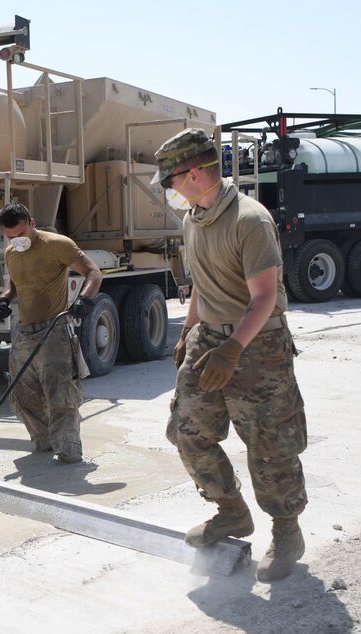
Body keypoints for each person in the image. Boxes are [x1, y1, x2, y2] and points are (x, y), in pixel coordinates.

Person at [153, 129, 307, 582]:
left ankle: (286, 530)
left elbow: (263, 298)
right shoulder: (194, 219)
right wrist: (188, 333)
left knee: (270, 445)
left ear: (195, 173)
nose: (170, 189)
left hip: (257, 346)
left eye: (172, 180)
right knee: (186, 430)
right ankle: (232, 511)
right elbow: (203, 280)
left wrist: (233, 349)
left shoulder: (249, 220)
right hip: (210, 339)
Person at [0, 202, 102, 465]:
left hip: (54, 329)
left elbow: (93, 272)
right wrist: (4, 300)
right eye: (10, 237)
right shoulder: (11, 253)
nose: (16, 241)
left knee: (60, 394)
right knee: (22, 392)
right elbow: (16, 286)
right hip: (25, 331)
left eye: (20, 234)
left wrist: (85, 299)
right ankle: (43, 441)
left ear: (31, 223)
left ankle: (68, 451)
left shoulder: (57, 244)